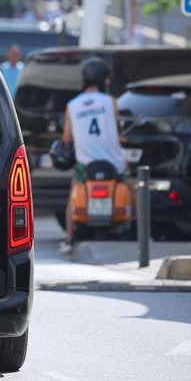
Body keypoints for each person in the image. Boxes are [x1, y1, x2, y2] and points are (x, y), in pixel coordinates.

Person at [59, 57, 127, 255]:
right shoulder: (111, 102)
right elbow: (114, 128)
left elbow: (66, 137)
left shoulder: (73, 105)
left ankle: (69, 239)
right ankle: (137, 233)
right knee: (133, 189)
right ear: (104, 80)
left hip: (86, 164)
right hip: (114, 163)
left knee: (73, 195)